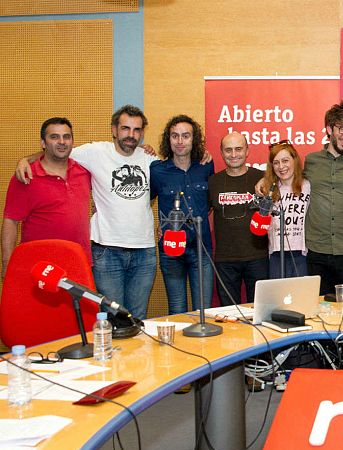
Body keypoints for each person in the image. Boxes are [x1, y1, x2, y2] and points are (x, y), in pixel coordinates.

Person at [15, 105, 157, 320]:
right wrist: (25, 159)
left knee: (137, 317)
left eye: (137, 130)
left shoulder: (150, 160)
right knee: (111, 318)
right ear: (114, 130)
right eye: (126, 128)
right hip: (107, 252)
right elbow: (57, 151)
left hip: (145, 252)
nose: (131, 135)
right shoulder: (95, 152)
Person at [2, 118, 91, 277]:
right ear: (43, 143)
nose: (62, 142)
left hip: (78, 264)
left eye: (67, 137)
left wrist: (140, 150)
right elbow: (11, 221)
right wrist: (7, 265)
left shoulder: (84, 171)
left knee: (78, 303)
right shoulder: (26, 176)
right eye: (54, 137)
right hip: (39, 266)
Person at [150, 115, 215, 315]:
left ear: (193, 139)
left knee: (203, 311)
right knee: (177, 310)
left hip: (201, 248)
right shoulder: (157, 170)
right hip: (171, 251)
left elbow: (211, 202)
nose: (180, 141)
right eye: (175, 136)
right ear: (168, 139)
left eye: (185, 136)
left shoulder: (206, 166)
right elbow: (143, 201)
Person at [304, 101, 343, 294]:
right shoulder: (311, 161)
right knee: (318, 309)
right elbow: (286, 180)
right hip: (316, 248)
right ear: (329, 129)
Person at [207, 132, 269, 304]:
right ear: (221, 152)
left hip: (258, 257)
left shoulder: (262, 178)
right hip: (225, 260)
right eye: (228, 150)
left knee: (259, 311)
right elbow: (202, 212)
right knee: (229, 314)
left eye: (238, 149)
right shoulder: (213, 182)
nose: (233, 155)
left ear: (247, 151)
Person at [260, 141, 310, 279]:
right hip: (276, 253)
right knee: (278, 298)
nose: (281, 167)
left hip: (301, 252)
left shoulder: (307, 186)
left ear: (294, 160)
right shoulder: (268, 189)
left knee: (301, 297)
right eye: (276, 163)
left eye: (285, 161)